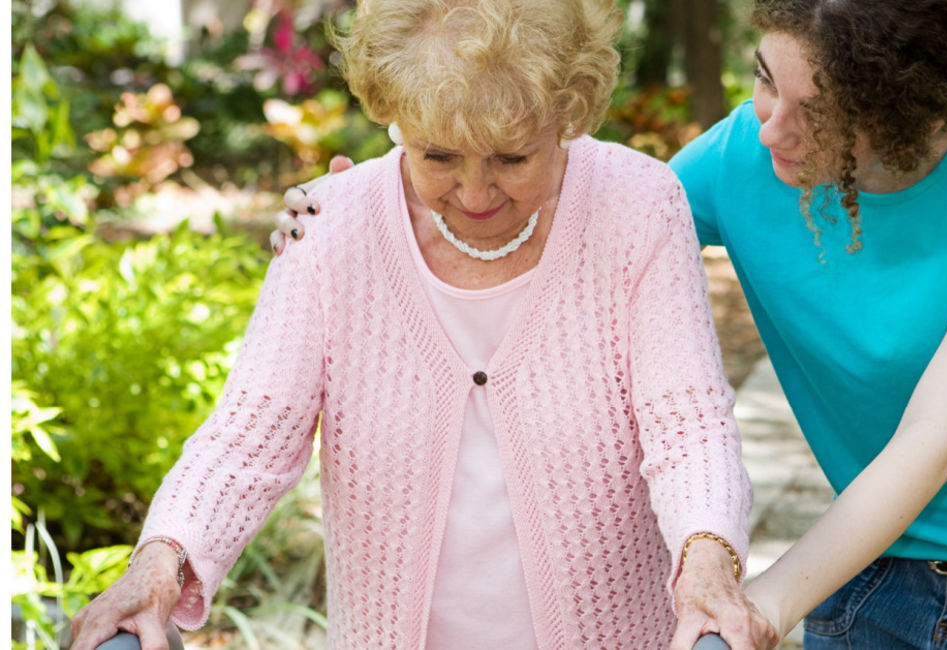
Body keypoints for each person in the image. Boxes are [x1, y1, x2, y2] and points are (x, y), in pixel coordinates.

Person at [277, 0, 947, 647]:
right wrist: (376, 210)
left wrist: (767, 600)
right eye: (764, 84)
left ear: (903, 113)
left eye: (818, 113)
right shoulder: (742, 154)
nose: (772, 126)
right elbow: (591, 219)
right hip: (871, 561)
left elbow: (937, 434)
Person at [69, 1, 778, 649]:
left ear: (568, 114)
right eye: (437, 154)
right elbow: (245, 440)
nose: (474, 193)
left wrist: (708, 560)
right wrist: (159, 562)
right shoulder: (330, 230)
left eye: (512, 157)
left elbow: (686, 425)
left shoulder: (637, 206)